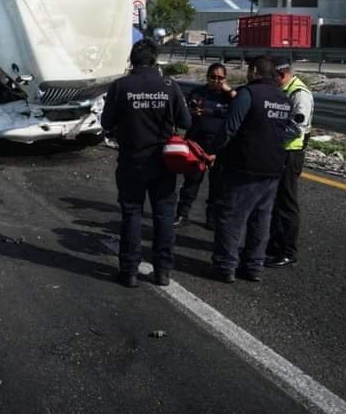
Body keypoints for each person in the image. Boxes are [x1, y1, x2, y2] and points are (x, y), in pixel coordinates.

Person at [100, 38, 192, 288]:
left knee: (131, 215)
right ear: (154, 60)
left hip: (131, 161)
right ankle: (162, 272)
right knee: (163, 216)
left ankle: (129, 271)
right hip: (163, 163)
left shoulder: (120, 86)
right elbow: (186, 122)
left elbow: (106, 123)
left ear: (132, 60)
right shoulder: (169, 85)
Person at [205, 56, 292, 283]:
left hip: (245, 166)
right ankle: (253, 267)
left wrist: (212, 150)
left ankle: (225, 266)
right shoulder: (283, 98)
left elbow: (230, 127)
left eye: (248, 70)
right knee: (260, 220)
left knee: (231, 216)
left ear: (254, 71)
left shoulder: (248, 94)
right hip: (273, 168)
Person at [173, 63, 236, 230]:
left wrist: (227, 89)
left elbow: (240, 107)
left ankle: (212, 218)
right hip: (197, 143)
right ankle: (182, 214)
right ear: (207, 77)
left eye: (220, 78)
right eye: (213, 77)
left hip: (219, 146)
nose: (216, 80)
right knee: (191, 183)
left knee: (217, 186)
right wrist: (191, 112)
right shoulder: (198, 92)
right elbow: (184, 111)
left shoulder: (229, 96)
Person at [266, 57, 314, 268]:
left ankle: (287, 251)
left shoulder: (299, 94)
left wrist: (269, 136)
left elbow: (296, 128)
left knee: (286, 203)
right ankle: (274, 245)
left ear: (282, 75)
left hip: (290, 153)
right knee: (275, 202)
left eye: (273, 77)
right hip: (279, 152)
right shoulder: (284, 89)